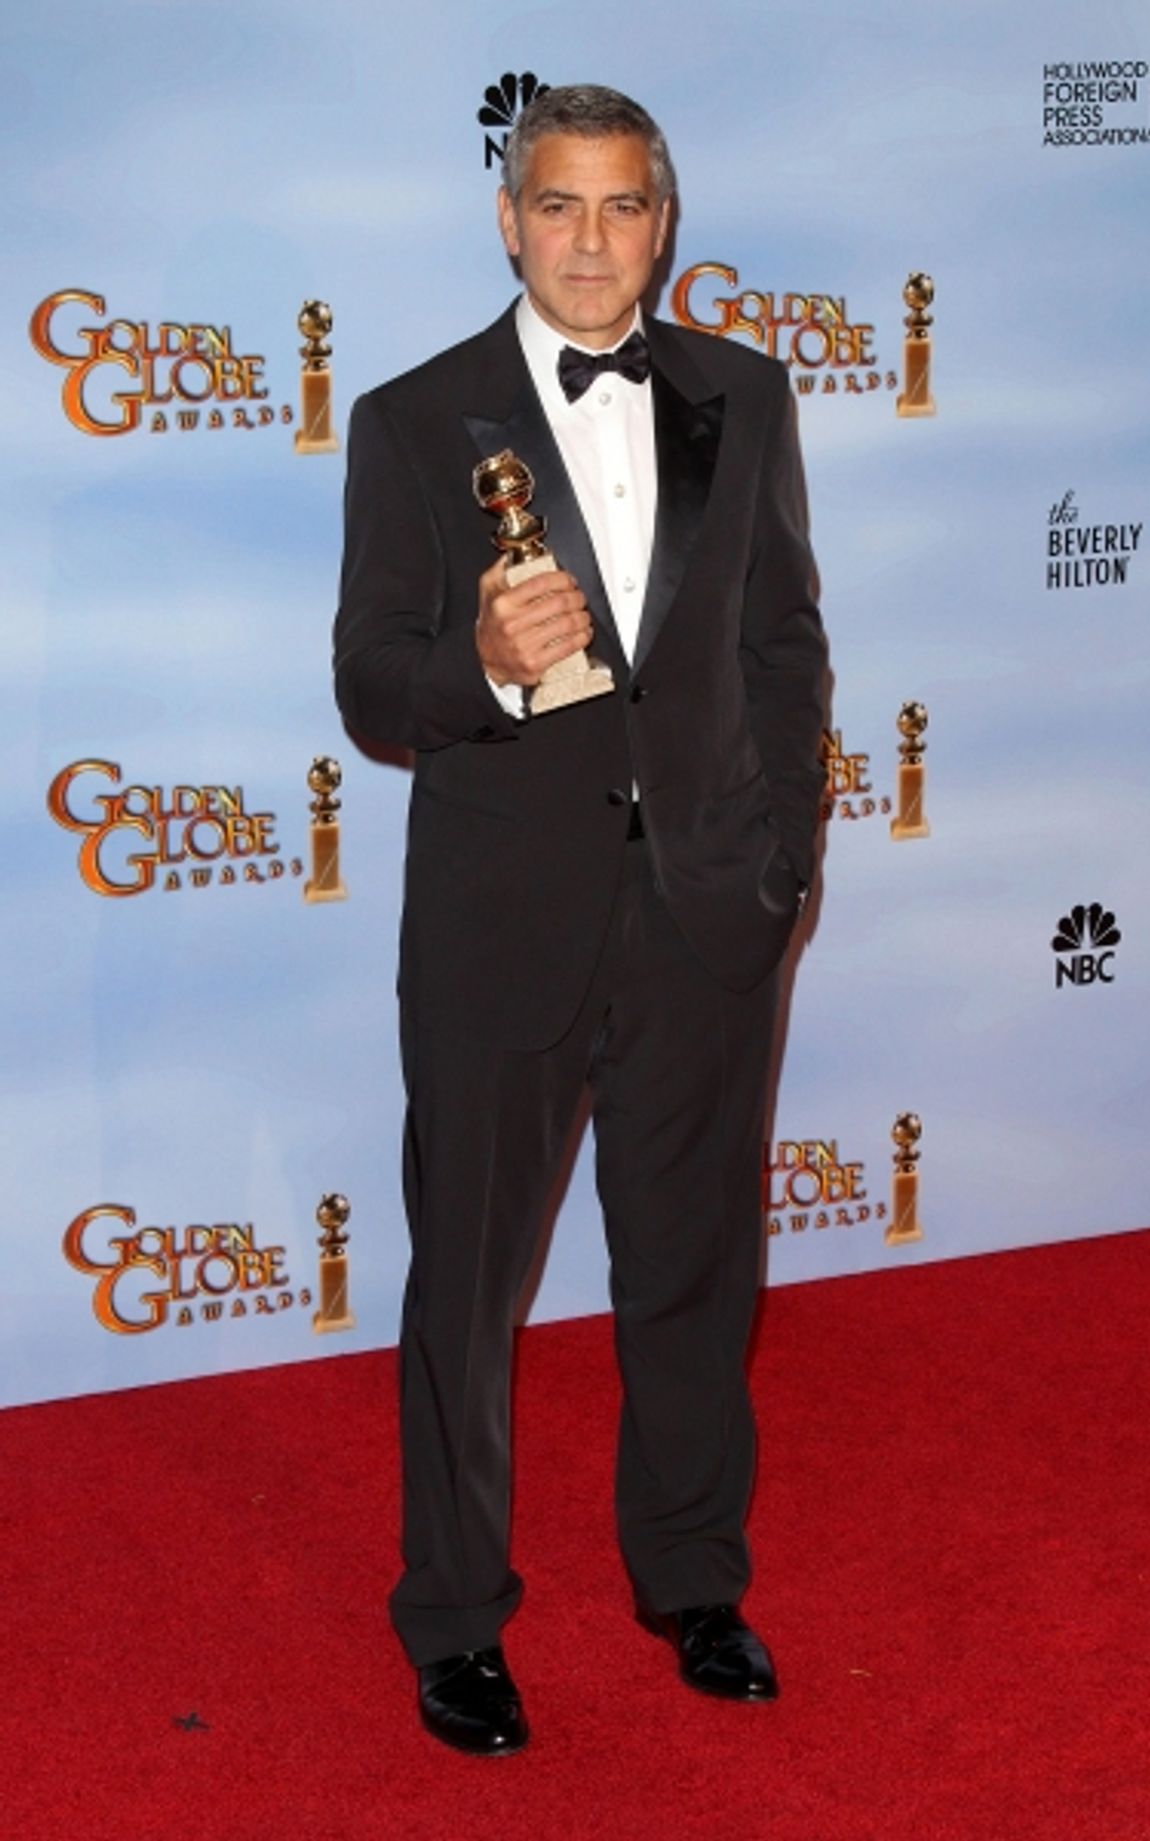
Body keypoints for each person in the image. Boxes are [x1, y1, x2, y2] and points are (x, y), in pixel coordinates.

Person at [334, 83, 828, 1757]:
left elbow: (785, 647)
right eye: (560, 207)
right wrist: (479, 664)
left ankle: (694, 1576)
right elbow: (367, 682)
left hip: (705, 914)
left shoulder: (743, 395)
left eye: (625, 208)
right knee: (466, 1292)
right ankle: (456, 1620)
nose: (594, 242)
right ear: (508, 218)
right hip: (501, 927)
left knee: (694, 1271)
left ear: (663, 221)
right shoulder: (414, 420)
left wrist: (781, 873)